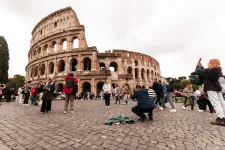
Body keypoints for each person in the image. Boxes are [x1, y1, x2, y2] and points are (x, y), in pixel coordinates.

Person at [195, 59, 225, 126]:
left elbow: (198, 72)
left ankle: (221, 118)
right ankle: (223, 117)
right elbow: (205, 71)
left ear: (212, 64)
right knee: (222, 102)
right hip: (217, 88)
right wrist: (201, 66)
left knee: (216, 103)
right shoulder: (217, 71)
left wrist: (197, 66)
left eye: (209, 62)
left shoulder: (211, 71)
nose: (207, 63)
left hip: (211, 88)